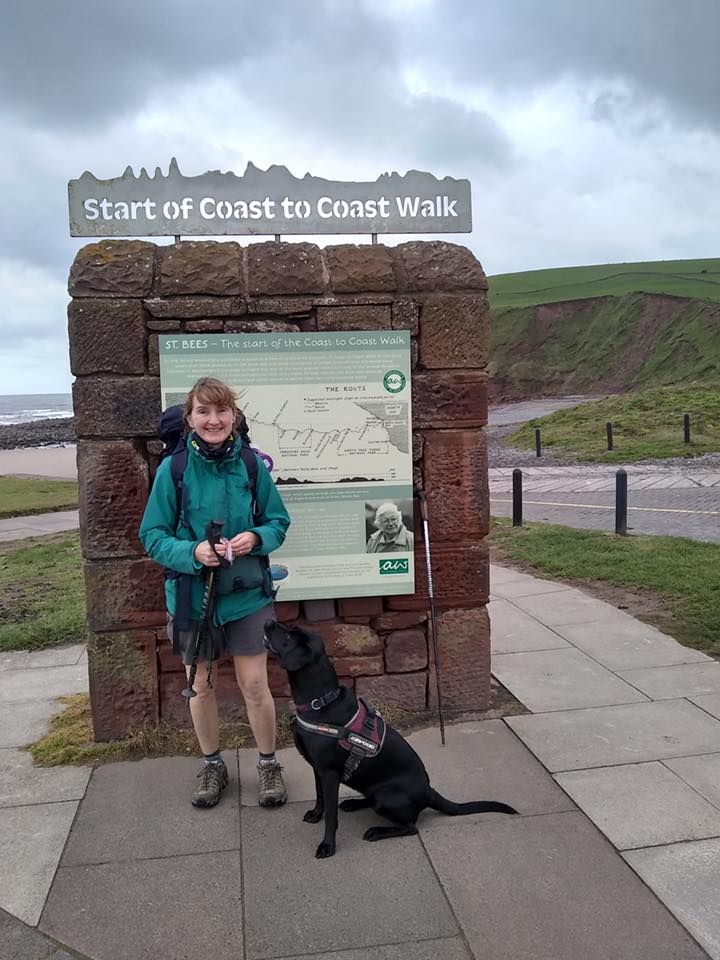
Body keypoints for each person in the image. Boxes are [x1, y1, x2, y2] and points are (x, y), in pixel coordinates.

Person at [139, 377, 291, 810]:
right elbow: (151, 534)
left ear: (233, 416)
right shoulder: (174, 470)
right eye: (203, 412)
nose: (214, 419)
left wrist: (255, 539)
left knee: (255, 684)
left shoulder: (249, 465)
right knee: (201, 685)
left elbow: (278, 521)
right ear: (190, 419)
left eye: (221, 411)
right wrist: (192, 551)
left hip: (246, 595)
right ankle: (212, 765)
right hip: (191, 598)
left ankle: (267, 765)